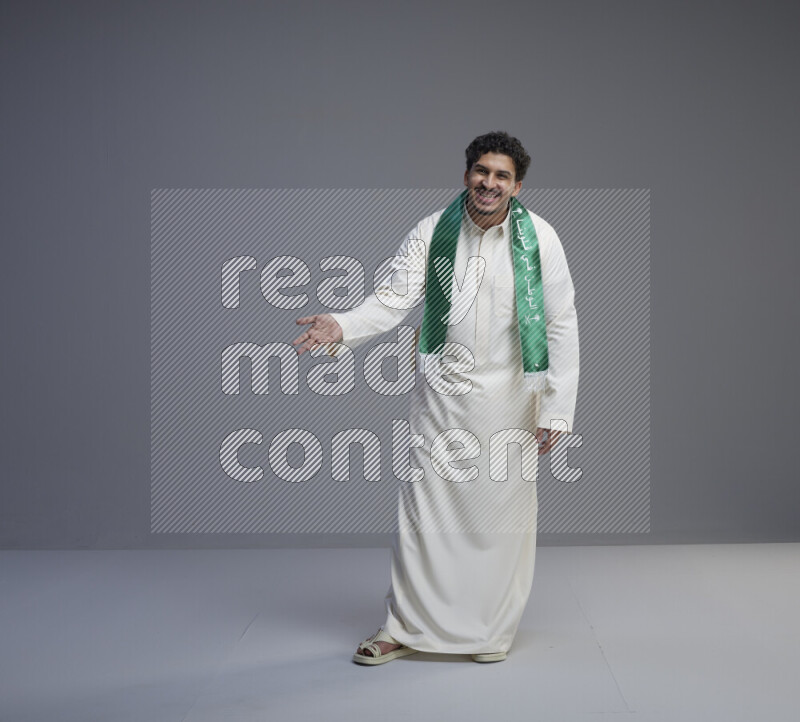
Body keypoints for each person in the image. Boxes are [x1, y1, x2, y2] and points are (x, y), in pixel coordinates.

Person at [292, 131, 579, 664]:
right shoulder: (432, 230)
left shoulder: (541, 238)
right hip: (442, 397)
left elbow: (560, 323)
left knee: (498, 520)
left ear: (517, 186)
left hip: (512, 400)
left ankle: (487, 632)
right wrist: (342, 325)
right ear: (467, 174)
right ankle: (403, 627)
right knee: (424, 517)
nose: (488, 183)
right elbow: (393, 299)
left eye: (501, 176)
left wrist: (558, 407)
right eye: (481, 172)